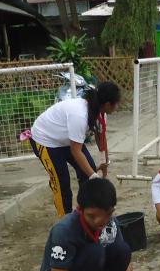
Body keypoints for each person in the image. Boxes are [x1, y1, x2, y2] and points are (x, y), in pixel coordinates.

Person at [30, 81, 121, 217]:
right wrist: (94, 176)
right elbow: (76, 151)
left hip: (67, 139)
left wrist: (104, 162)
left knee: (88, 169)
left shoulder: (100, 113)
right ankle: (65, 218)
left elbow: (100, 138)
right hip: (46, 140)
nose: (118, 107)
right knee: (62, 182)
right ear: (108, 104)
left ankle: (87, 211)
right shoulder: (80, 115)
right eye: (117, 103)